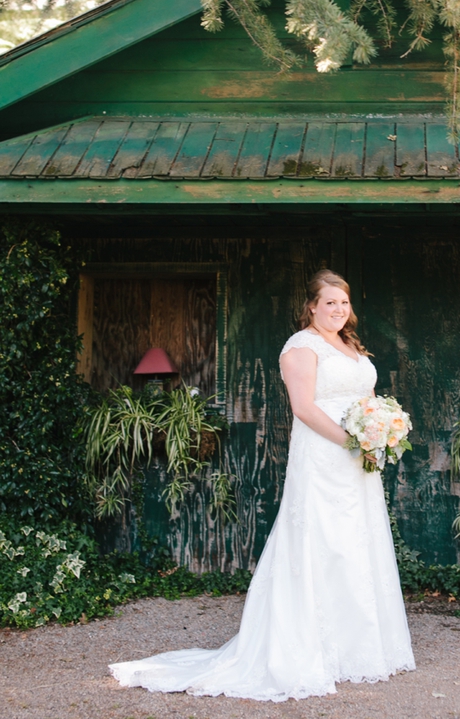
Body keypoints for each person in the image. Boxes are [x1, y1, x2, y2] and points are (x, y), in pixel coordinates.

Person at [109, 269, 415, 701]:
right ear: (311, 306)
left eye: (344, 303)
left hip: (357, 459)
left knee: (356, 540)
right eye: (329, 303)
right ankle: (312, 647)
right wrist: (354, 439)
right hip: (325, 456)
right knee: (322, 540)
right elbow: (305, 409)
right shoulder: (300, 347)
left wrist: (378, 432)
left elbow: (364, 401)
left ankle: (358, 648)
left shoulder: (350, 345)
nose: (338, 310)